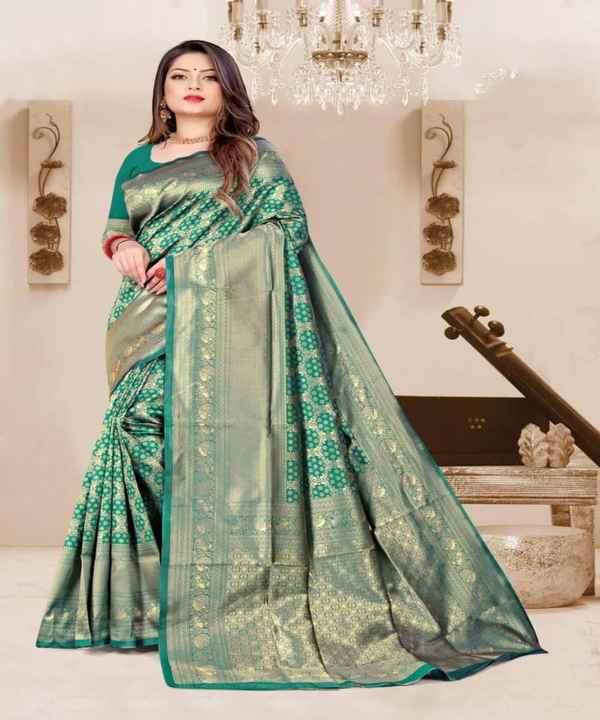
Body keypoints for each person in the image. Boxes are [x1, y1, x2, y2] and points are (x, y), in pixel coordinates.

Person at [34, 39, 548, 690]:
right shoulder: (138, 160)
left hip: (223, 322)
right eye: (179, 76)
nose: (192, 85)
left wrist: (191, 266)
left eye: (207, 77)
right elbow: (117, 228)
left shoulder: (252, 156)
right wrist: (122, 248)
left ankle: (220, 596)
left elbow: (285, 232)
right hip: (142, 318)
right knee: (133, 434)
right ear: (162, 92)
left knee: (213, 450)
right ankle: (154, 604)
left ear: (226, 90)